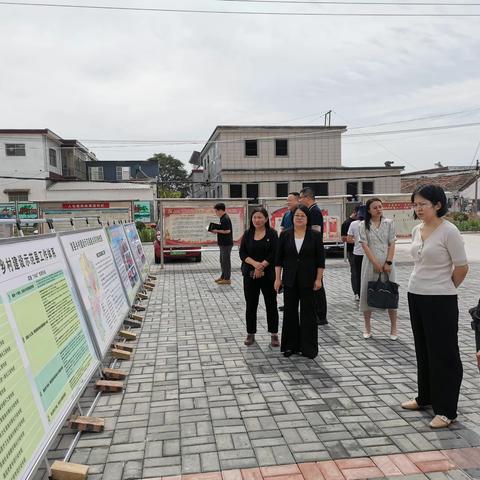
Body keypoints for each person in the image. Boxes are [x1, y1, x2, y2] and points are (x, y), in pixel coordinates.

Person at [401, 184, 468, 429]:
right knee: (424, 349)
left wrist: (444, 287)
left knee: (445, 355)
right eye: (415, 204)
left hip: (441, 299)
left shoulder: (449, 231)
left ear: (438, 205)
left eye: (423, 204)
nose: (418, 209)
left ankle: (446, 409)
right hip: (416, 293)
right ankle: (425, 396)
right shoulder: (417, 229)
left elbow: (461, 268)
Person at [274, 204, 325, 359]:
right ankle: (290, 346)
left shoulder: (315, 235)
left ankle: (308, 348)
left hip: (309, 280)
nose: (299, 218)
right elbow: (278, 259)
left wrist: (318, 279)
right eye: (297, 215)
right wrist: (277, 279)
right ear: (292, 217)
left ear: (307, 218)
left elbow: (320, 260)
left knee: (308, 313)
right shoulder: (285, 235)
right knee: (290, 312)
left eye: (303, 215)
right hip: (289, 280)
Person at [358, 198, 398, 340]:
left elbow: (392, 243)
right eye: (375, 207)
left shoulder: (389, 223)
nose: (378, 209)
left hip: (388, 263)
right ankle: (367, 327)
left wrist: (388, 262)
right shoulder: (363, 225)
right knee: (367, 293)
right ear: (369, 210)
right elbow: (365, 245)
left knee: (391, 292)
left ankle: (394, 328)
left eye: (380, 207)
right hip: (370, 263)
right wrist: (375, 262)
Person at [239, 207, 279, 347]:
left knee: (271, 304)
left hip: (268, 275)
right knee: (251, 305)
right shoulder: (247, 234)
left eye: (260, 217)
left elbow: (274, 253)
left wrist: (261, 266)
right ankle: (251, 333)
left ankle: (274, 334)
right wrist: (256, 264)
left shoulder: (272, 234)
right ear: (251, 219)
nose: (257, 220)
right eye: (255, 217)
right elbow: (242, 254)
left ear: (266, 219)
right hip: (250, 275)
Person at [299, 187, 327, 325]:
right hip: (311, 252)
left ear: (307, 198)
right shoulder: (310, 211)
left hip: (315, 253)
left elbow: (316, 232)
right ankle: (316, 312)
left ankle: (321, 315)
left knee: (318, 284)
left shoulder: (314, 211)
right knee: (313, 285)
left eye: (301, 197)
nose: (300, 200)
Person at [210, 203, 233, 285]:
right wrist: (216, 230)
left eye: (216, 211)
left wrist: (216, 231)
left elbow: (227, 231)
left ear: (220, 210)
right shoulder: (222, 218)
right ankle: (223, 276)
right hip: (222, 243)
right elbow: (223, 229)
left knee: (226, 261)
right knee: (222, 261)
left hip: (226, 244)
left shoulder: (225, 218)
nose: (215, 213)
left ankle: (227, 279)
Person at [347, 206, 365, 302]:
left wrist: (357, 241)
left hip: (357, 253)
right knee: (368, 274)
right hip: (369, 254)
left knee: (357, 274)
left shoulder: (353, 224)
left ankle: (358, 293)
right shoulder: (370, 223)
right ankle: (369, 293)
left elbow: (349, 239)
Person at [341, 207, 358, 299]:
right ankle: (356, 292)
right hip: (352, 251)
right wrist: (354, 240)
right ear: (355, 213)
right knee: (354, 272)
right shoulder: (346, 223)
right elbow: (343, 238)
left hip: (362, 251)